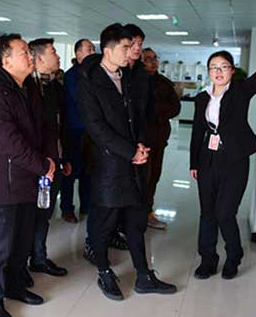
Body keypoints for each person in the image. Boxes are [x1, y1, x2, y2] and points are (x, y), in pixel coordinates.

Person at [77, 23, 176, 301]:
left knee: (135, 220)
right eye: (125, 46)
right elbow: (96, 127)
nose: (131, 51)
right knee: (104, 224)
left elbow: (139, 117)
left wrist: (140, 146)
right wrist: (130, 151)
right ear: (108, 50)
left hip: (134, 162)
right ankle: (104, 272)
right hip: (109, 165)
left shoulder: (127, 76)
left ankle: (144, 275)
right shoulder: (90, 80)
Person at [190, 44, 256, 280]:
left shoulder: (240, 91)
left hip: (235, 160)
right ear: (208, 71)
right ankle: (207, 259)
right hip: (208, 160)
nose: (218, 72)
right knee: (207, 213)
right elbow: (197, 132)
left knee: (225, 213)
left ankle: (233, 257)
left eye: (224, 67)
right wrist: (193, 163)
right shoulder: (201, 98)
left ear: (232, 70)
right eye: (214, 67)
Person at [0, 34, 56, 317]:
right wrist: (42, 165)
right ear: (6, 60)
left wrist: (50, 160)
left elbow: (46, 127)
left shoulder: (28, 86)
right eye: (24, 52)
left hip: (30, 178)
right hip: (5, 183)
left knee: (22, 241)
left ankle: (14, 285)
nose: (30, 56)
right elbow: (8, 141)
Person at [27, 38, 69, 278]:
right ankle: (23, 261)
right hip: (35, 164)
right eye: (54, 52)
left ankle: (39, 258)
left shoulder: (54, 88)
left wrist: (64, 157)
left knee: (44, 212)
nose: (58, 56)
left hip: (55, 160)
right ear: (39, 58)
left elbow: (59, 126)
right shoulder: (28, 88)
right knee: (29, 215)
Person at [142, 48, 181, 229]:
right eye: (147, 59)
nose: (153, 62)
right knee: (141, 178)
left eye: (154, 58)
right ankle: (134, 215)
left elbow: (175, 107)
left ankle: (147, 212)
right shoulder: (134, 81)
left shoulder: (164, 83)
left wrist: (156, 112)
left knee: (154, 177)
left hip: (159, 138)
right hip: (140, 141)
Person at [60, 38, 95, 223]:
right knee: (70, 172)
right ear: (78, 53)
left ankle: (86, 206)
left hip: (91, 132)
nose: (92, 52)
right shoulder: (72, 75)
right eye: (89, 49)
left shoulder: (94, 73)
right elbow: (82, 100)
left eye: (93, 49)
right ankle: (67, 208)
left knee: (88, 171)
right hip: (74, 131)